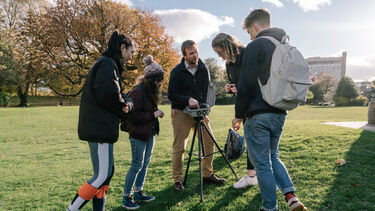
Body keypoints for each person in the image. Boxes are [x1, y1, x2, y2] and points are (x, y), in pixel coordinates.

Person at [231, 9, 307, 211]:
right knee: (273, 156)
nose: (250, 36)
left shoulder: (256, 46)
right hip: (279, 111)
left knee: (262, 163)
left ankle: (269, 208)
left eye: (249, 32)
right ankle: (291, 197)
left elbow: (246, 85)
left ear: (255, 27)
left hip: (258, 114)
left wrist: (238, 114)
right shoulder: (284, 44)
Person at [67, 31, 135, 211]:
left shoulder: (107, 64)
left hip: (101, 128)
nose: (130, 57)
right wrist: (125, 106)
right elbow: (110, 95)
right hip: (100, 130)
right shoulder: (107, 64)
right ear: (122, 48)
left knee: (106, 174)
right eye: (130, 52)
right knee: (102, 175)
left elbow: (117, 93)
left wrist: (126, 101)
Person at [168, 40, 226, 191]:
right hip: (181, 111)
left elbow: (204, 92)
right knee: (180, 147)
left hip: (198, 112)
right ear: (184, 55)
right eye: (191, 53)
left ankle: (207, 174)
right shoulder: (177, 71)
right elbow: (171, 95)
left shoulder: (203, 68)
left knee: (209, 141)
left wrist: (202, 107)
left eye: (196, 52)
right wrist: (187, 99)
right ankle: (178, 180)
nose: (195, 55)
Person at [212, 33, 258, 189]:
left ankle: (260, 177)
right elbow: (237, 86)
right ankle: (251, 176)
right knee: (251, 142)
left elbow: (255, 82)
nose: (219, 56)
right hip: (244, 107)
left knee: (259, 144)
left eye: (220, 52)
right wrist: (231, 89)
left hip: (258, 105)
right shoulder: (228, 64)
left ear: (228, 46)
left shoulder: (247, 54)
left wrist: (240, 88)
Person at [121, 55, 165, 210]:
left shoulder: (150, 91)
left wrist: (156, 112)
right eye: (159, 80)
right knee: (136, 165)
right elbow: (131, 116)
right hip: (138, 134)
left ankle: (139, 192)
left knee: (144, 164)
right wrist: (153, 115)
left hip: (149, 133)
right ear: (151, 79)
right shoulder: (137, 92)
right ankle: (127, 197)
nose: (161, 83)